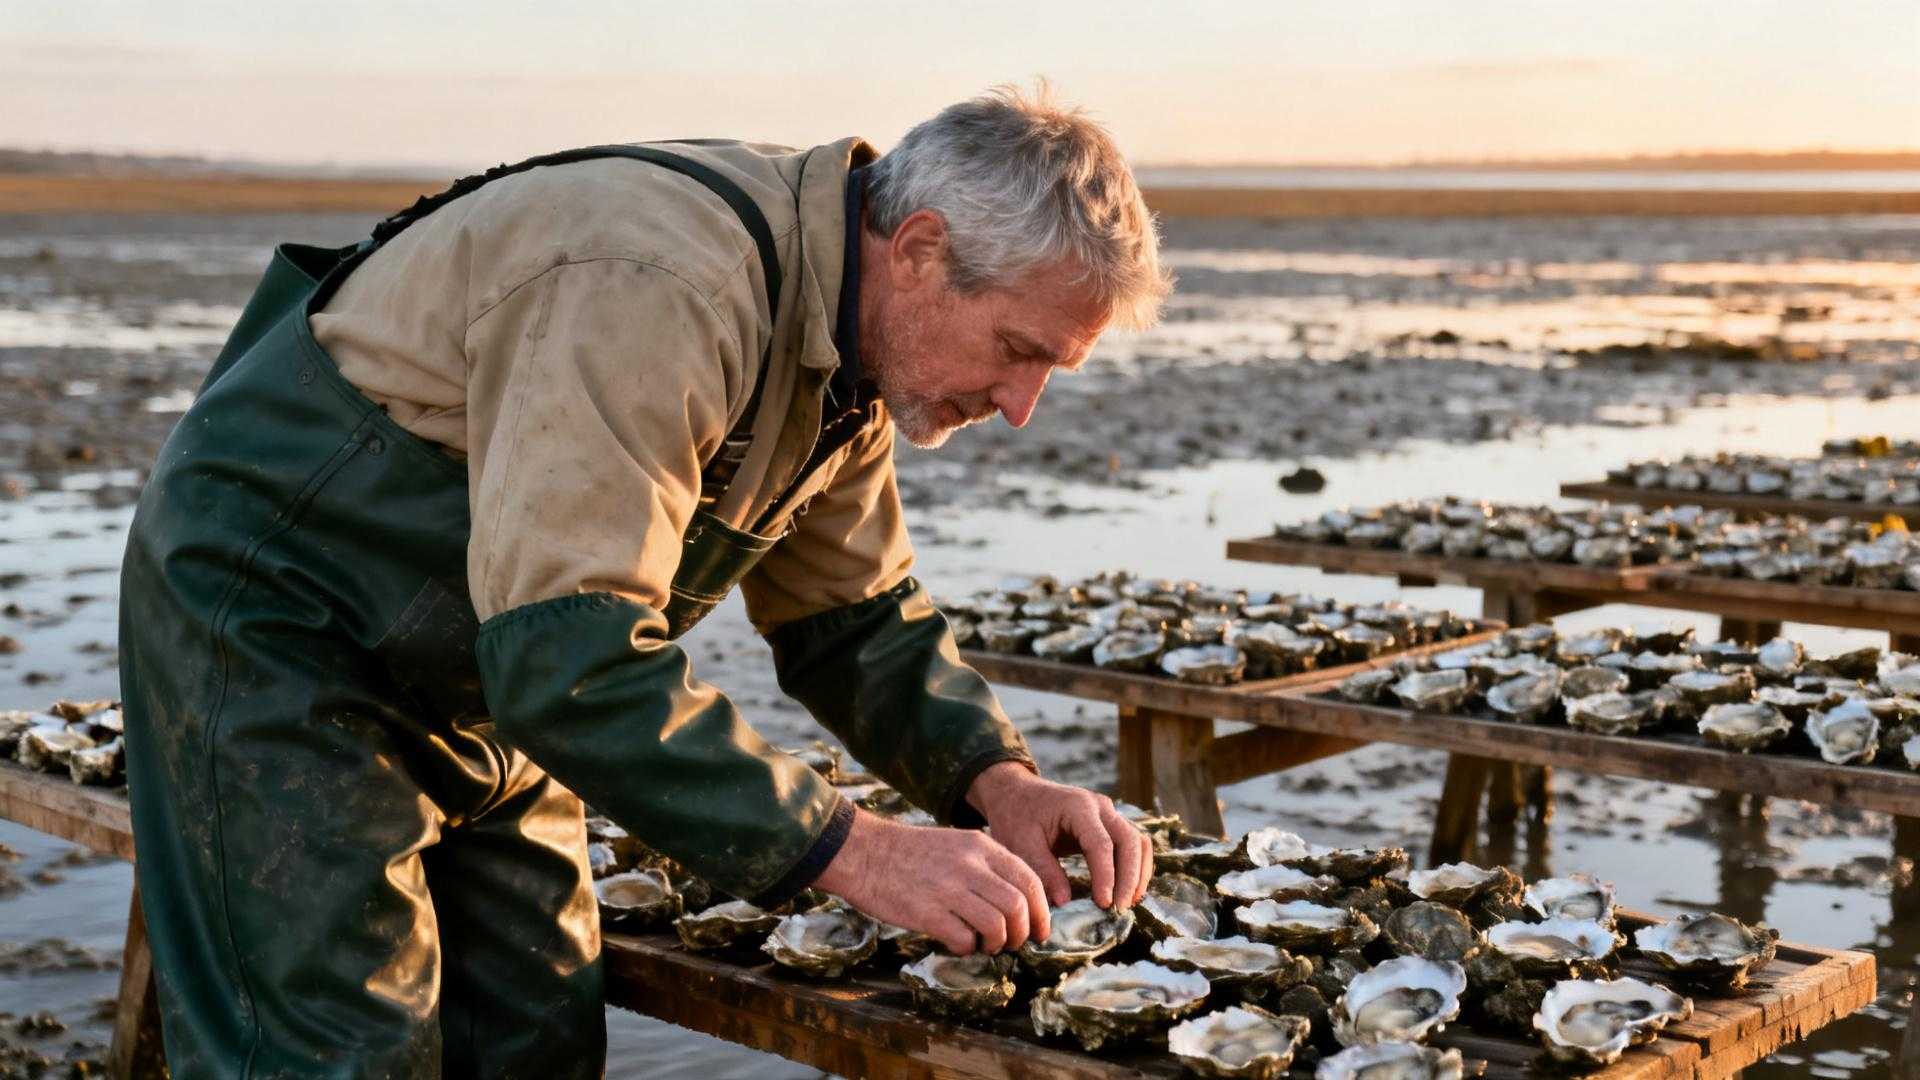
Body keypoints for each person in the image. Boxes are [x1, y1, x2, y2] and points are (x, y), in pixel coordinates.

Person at [118, 84, 1172, 1077]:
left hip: (486, 660)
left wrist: (998, 783)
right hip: (280, 622)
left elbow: (855, 620)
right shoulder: (660, 283)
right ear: (921, 250)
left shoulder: (852, 350)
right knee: (338, 1047)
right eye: (1019, 349)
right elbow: (568, 655)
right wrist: (856, 852)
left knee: (531, 1028)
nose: (1023, 403)